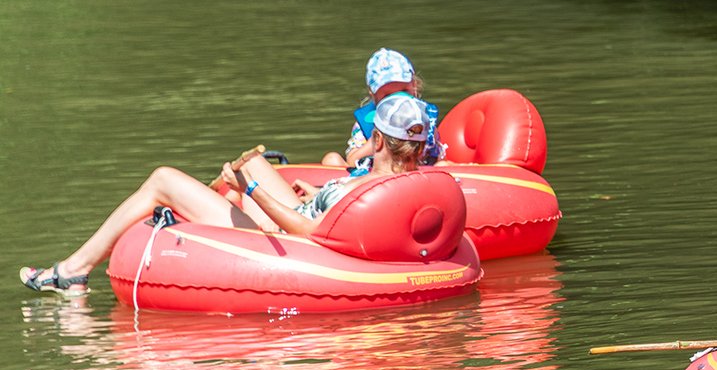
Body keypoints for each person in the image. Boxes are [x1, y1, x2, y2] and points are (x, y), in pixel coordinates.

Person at [20, 94, 435, 297]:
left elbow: (311, 231)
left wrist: (249, 190)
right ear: (417, 146)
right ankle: (207, 203)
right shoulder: (400, 185)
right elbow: (339, 213)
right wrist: (319, 190)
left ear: (377, 138)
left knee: (163, 177)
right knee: (252, 161)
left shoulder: (369, 188)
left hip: (291, 243)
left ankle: (74, 270)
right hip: (310, 215)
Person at [320, 47, 445, 170]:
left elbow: (435, 157)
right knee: (331, 159)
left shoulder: (423, 118)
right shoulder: (367, 121)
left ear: (414, 85)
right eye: (388, 96)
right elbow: (352, 161)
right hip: (374, 177)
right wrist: (374, 142)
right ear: (373, 94)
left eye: (404, 91)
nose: (398, 100)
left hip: (416, 173)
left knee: (442, 166)